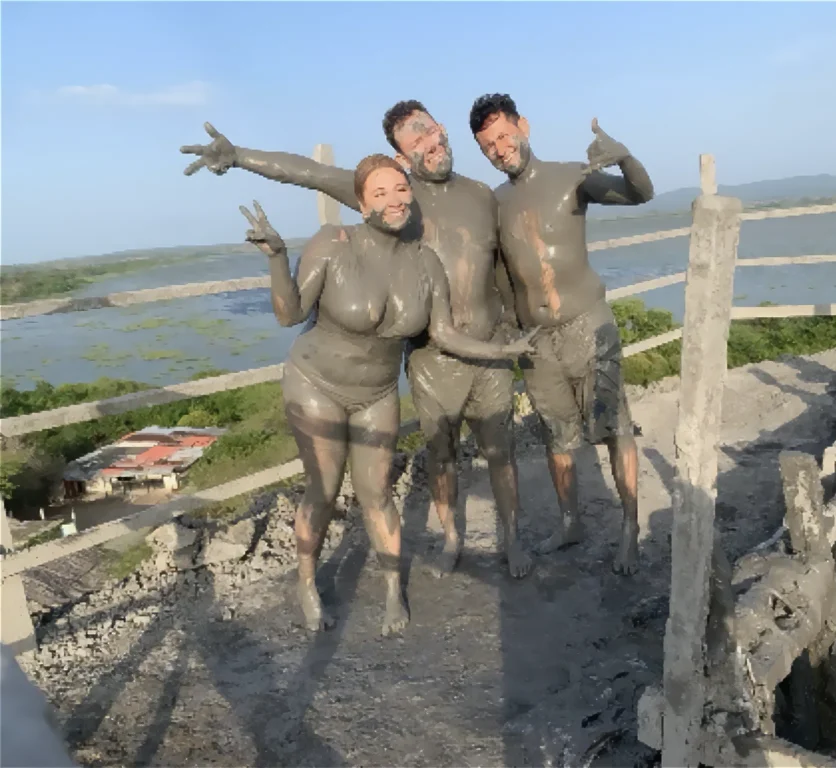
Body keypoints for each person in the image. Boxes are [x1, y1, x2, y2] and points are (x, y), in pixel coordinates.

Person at [181, 106, 534, 580]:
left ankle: (513, 538)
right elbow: (309, 173)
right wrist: (240, 155)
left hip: (488, 344)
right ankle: (452, 539)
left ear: (442, 129)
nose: (429, 144)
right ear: (400, 157)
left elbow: (502, 266)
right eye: (415, 143)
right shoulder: (391, 194)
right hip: (432, 356)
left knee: (501, 451)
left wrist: (513, 325)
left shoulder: (480, 195)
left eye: (430, 131)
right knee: (442, 456)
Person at [238, 154, 535, 635]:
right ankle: (307, 582)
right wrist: (276, 257)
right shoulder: (334, 244)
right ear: (361, 202)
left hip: (377, 391)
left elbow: (443, 333)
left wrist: (504, 349)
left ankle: (393, 590)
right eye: (380, 192)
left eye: (400, 189)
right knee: (324, 489)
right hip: (317, 383)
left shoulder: (424, 262)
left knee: (377, 493)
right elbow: (290, 314)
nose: (394, 200)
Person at [468, 93, 655, 576]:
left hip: (588, 324)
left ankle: (630, 527)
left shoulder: (573, 177)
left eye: (504, 136)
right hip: (536, 339)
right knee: (557, 436)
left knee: (615, 427)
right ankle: (570, 521)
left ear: (523, 126)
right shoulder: (495, 202)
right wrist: (510, 330)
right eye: (488, 145)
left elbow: (641, 194)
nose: (499, 148)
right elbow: (499, 273)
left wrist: (625, 156)